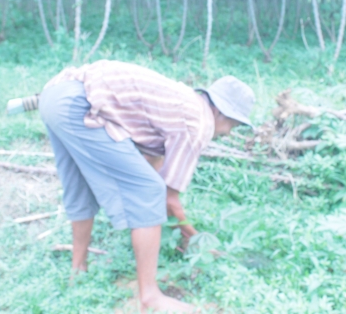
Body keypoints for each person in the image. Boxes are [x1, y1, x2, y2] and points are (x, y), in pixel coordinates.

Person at [37, 60, 254, 313]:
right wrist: (196, 239)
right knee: (150, 191)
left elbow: (151, 163)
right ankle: (150, 297)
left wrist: (174, 228)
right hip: (80, 102)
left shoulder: (182, 102)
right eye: (234, 125)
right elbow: (166, 197)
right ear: (221, 113)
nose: (228, 133)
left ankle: (78, 271)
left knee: (79, 185)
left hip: (55, 94)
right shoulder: (199, 124)